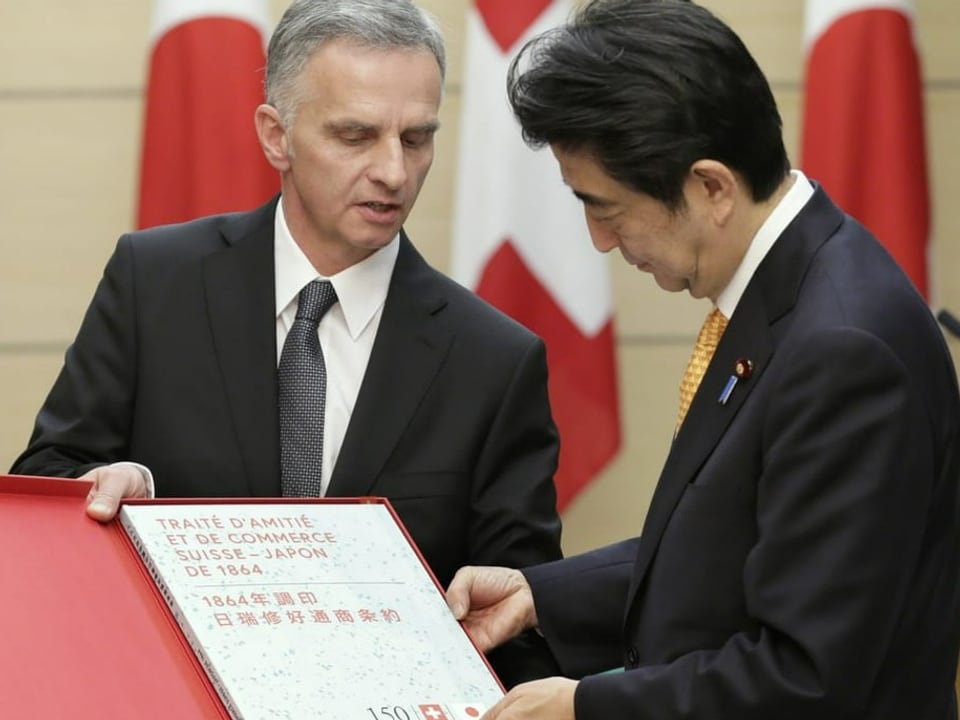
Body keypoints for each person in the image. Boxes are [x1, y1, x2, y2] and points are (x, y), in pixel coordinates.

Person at [11, 0, 562, 686]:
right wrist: (118, 490)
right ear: (277, 136)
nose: (394, 171)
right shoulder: (156, 283)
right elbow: (47, 481)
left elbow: (524, 618)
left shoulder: (493, 359)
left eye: (416, 138)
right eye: (357, 135)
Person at [445, 0, 960, 717]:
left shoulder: (843, 350)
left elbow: (805, 677)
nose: (598, 240)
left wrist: (584, 707)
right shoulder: (790, 286)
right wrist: (543, 594)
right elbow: (730, 541)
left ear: (711, 186)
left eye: (608, 208)